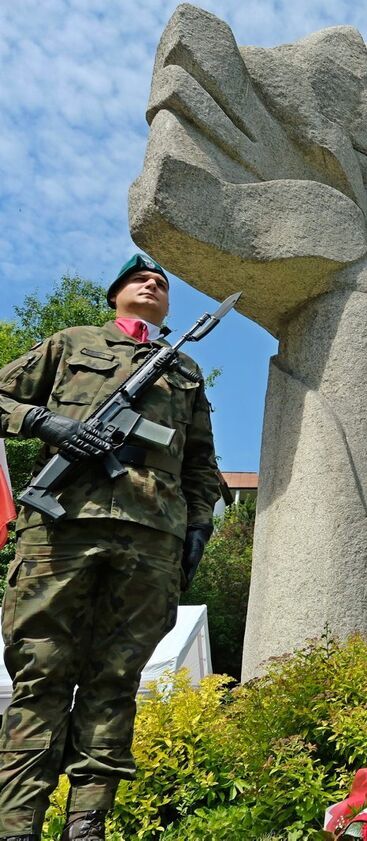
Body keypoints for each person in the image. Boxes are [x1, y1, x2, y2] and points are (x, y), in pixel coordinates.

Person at [0, 255, 221, 841]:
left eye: (162, 283)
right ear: (115, 294)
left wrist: (198, 526)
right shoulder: (70, 343)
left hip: (152, 538)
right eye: (140, 278)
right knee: (41, 675)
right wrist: (47, 424)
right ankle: (17, 824)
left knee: (116, 678)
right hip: (61, 529)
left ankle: (87, 822)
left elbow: (202, 462)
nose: (152, 284)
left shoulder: (185, 370)